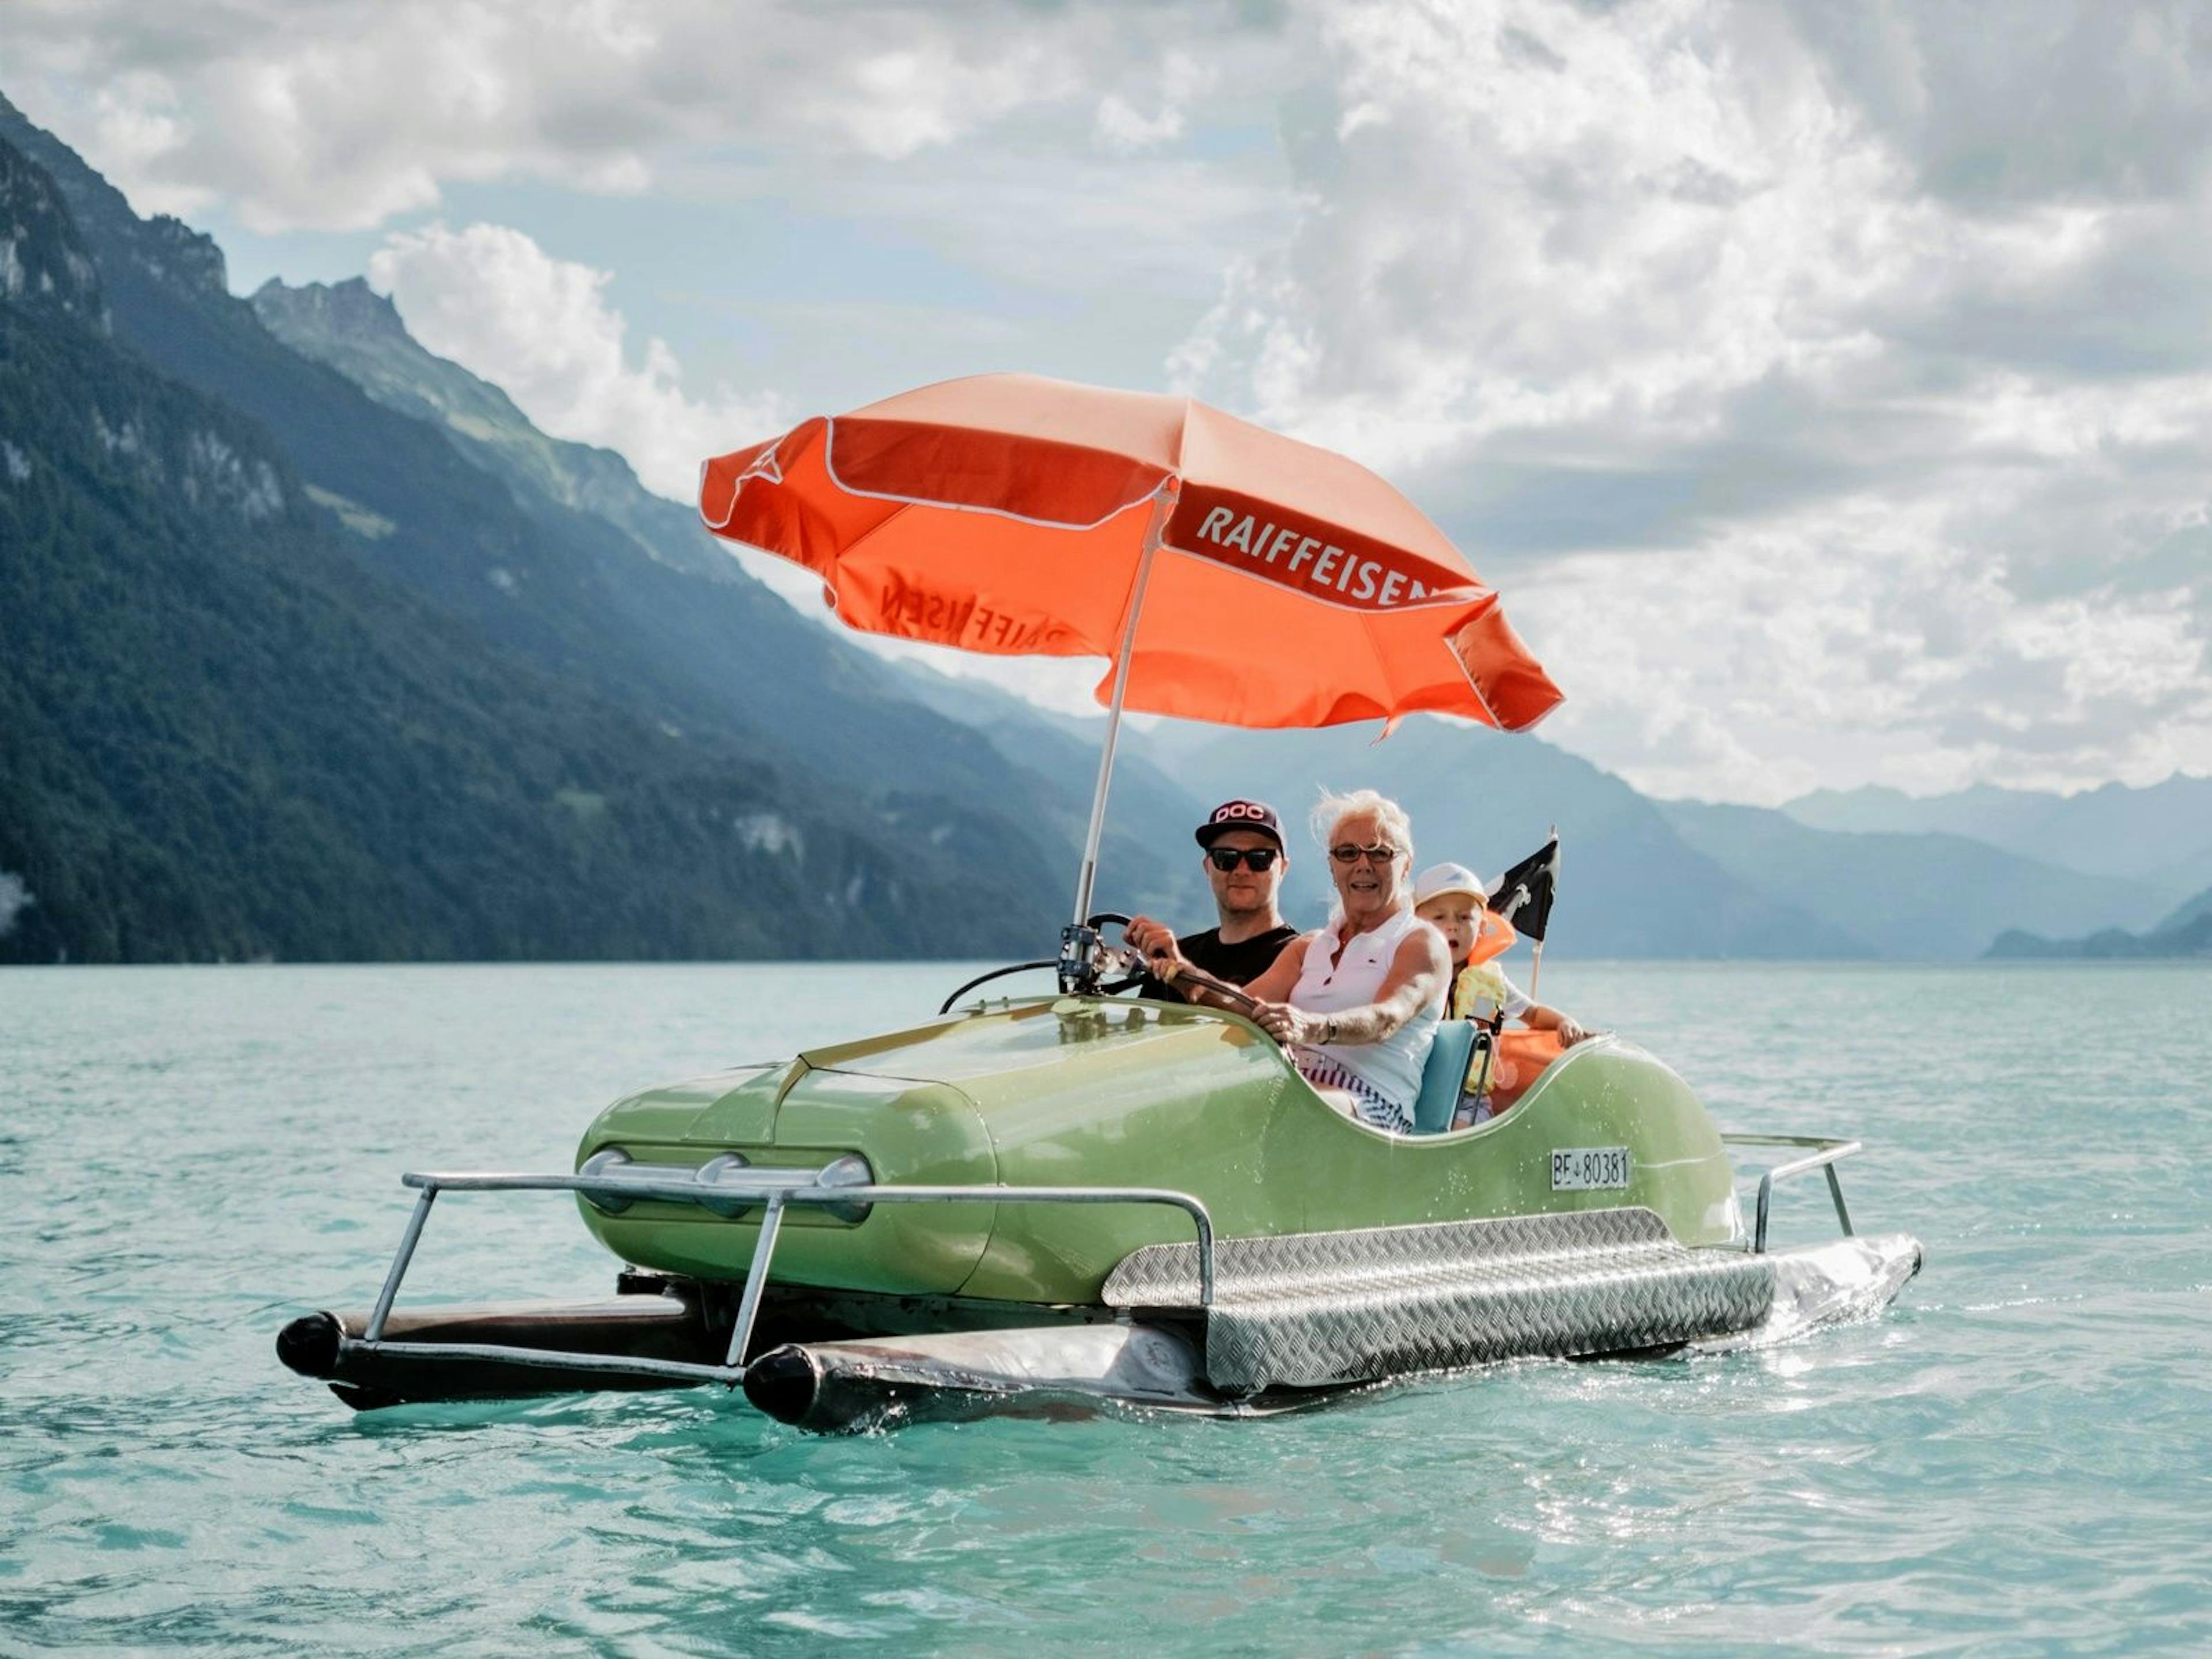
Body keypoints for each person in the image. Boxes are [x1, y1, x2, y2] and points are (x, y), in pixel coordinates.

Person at [1136, 789, 1448, 1135]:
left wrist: (1312, 1026)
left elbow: (1387, 1017)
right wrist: (1183, 972)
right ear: (1332, 866)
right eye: (1348, 853)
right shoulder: (1309, 946)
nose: (1363, 864)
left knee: (1267, 1105)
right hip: (1291, 1085)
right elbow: (1242, 1009)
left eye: (1380, 853)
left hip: (1372, 1106)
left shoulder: (1420, 940)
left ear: (1405, 864)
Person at [1125, 800, 1300, 1000]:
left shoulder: (1305, 960)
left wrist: (1182, 973)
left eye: (1259, 859)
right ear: (1207, 867)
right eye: (1226, 858)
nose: (1242, 871)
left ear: (1283, 869)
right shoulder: (1173, 955)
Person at [1411, 862, 1592, 1044]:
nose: (1453, 926)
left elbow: (1533, 1013)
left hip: (1474, 1071)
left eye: (1464, 917)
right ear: (1415, 924)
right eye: (1439, 917)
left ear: (1482, 927)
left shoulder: (1489, 981)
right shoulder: (1405, 973)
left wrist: (1564, 1022)